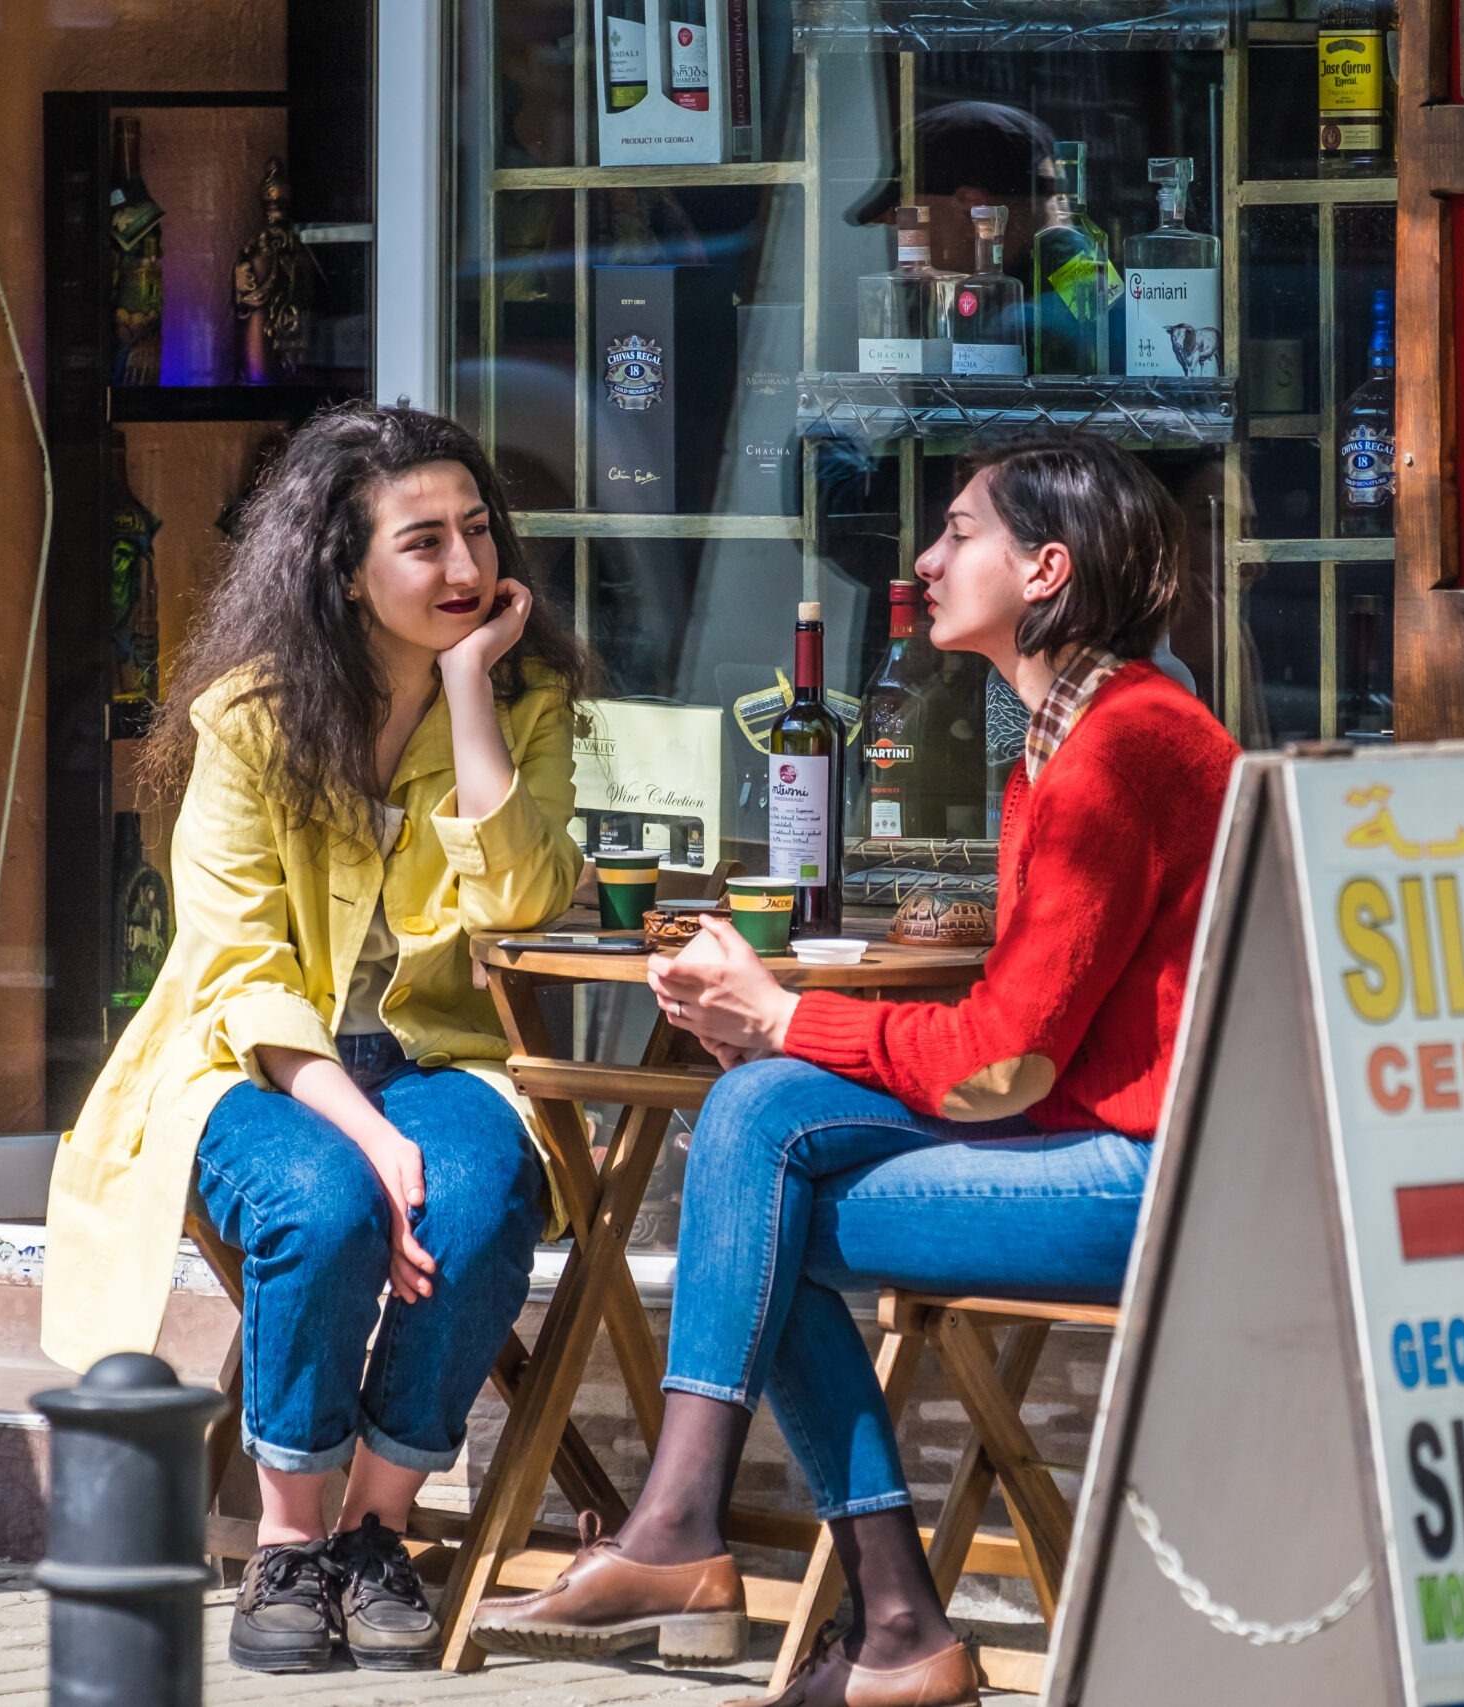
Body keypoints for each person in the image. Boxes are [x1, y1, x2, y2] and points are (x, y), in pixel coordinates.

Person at [472, 438, 1238, 1707]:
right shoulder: (1071, 731)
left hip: (1153, 1181)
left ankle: (769, 1568)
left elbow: (1002, 1064)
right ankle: (865, 1617)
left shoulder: (1121, 746)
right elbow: (1019, 1049)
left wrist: (784, 1014)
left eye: (957, 534)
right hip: (1101, 1143)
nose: (926, 562)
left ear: (1045, 568)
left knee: (754, 1194)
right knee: (756, 1135)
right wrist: (777, 1033)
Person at [38, 404, 596, 1676]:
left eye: (476, 533)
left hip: (442, 1054)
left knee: (483, 1191)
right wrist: (360, 1130)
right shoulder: (249, 717)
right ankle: (287, 1544)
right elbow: (239, 970)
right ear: (344, 567)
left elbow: (519, 898)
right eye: (422, 543)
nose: (463, 569)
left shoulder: (528, 700)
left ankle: (373, 1534)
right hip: (249, 1063)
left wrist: (469, 696)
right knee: (329, 1205)